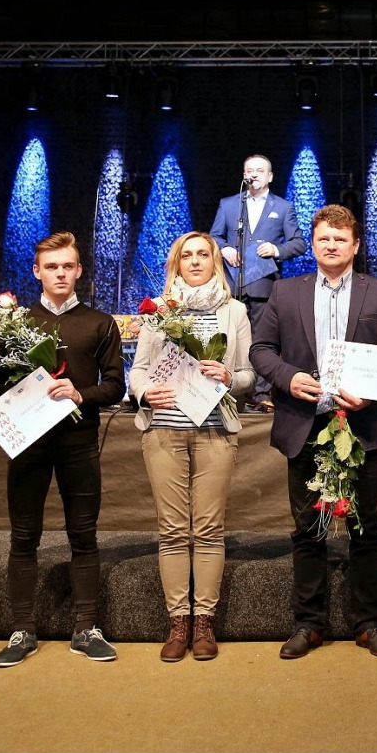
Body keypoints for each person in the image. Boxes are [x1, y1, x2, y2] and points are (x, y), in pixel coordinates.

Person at [249, 204, 377, 660]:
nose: (331, 245)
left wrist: (371, 393)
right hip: (304, 424)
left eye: (340, 239)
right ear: (313, 244)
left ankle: (370, 623)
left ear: (355, 246)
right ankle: (308, 624)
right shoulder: (285, 292)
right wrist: (287, 377)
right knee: (307, 529)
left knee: (367, 529)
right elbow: (260, 349)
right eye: (323, 238)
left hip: (363, 425)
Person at [0, 231, 125, 668]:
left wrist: (81, 394)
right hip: (28, 445)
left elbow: (115, 386)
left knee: (83, 535)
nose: (60, 273)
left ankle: (86, 628)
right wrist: (24, 390)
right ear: (37, 272)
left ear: (79, 270)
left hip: (78, 444)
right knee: (24, 536)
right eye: (51, 267)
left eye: (67, 266)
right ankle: (22, 630)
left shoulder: (100, 323)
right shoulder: (15, 324)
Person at [130, 231, 254, 662]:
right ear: (176, 263)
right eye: (188, 255)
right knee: (171, 530)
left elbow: (249, 374)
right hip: (164, 431)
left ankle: (204, 622)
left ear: (215, 262)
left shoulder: (235, 311)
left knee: (208, 529)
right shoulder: (159, 310)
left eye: (204, 254)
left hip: (215, 430)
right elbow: (138, 371)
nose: (196, 261)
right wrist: (144, 392)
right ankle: (178, 622)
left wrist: (229, 377)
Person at [210, 154, 306, 413]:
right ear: (244, 175)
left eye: (259, 170)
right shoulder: (229, 204)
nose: (254, 174)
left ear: (270, 176)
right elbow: (214, 236)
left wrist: (276, 249)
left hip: (264, 285)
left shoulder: (283, 207)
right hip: (232, 283)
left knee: (262, 340)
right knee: (229, 337)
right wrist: (224, 248)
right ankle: (227, 391)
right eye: (249, 170)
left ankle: (261, 393)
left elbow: (299, 243)